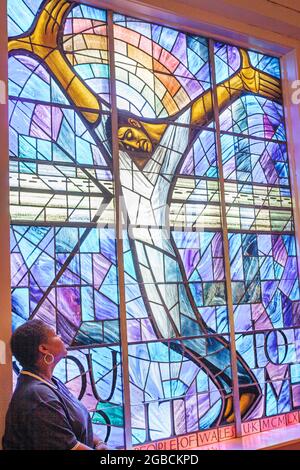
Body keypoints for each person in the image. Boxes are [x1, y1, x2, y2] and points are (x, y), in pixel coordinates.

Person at [8, 0, 282, 428]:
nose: (128, 132)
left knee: (180, 330)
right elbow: (88, 106)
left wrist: (236, 83)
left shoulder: (161, 157)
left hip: (162, 263)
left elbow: (196, 115)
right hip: (143, 263)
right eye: (121, 130)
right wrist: (50, 54)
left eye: (133, 128)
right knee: (177, 332)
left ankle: (243, 386)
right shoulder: (118, 155)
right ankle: (239, 386)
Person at [2, 320, 108, 450]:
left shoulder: (51, 381)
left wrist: (99, 443)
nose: (61, 337)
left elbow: (75, 425)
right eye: (55, 334)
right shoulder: (37, 396)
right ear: (44, 349)